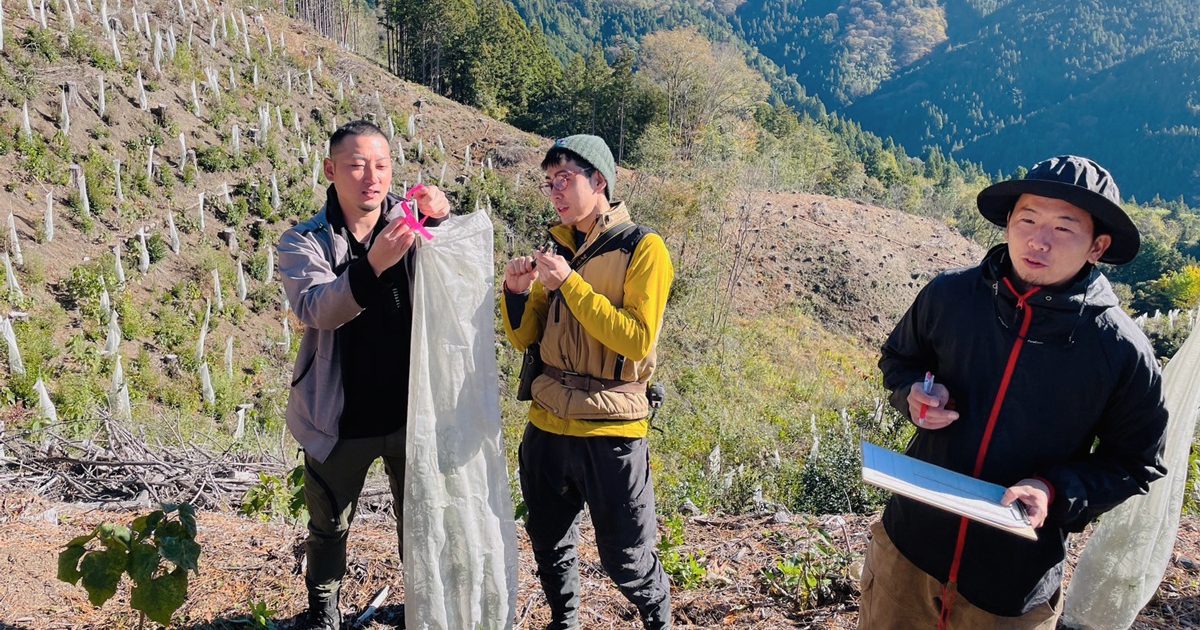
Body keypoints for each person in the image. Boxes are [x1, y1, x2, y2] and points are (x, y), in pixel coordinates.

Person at [860, 155, 1170, 629]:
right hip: (909, 548)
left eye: (1064, 229)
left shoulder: (1120, 350)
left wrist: (1054, 490)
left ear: (1098, 246)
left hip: (1009, 586)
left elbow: (1136, 462)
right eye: (1027, 219)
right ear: (1009, 221)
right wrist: (914, 394)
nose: (1037, 240)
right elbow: (900, 359)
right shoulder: (951, 296)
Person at [278, 120, 451, 629]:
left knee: (418, 523)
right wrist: (371, 266)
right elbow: (316, 309)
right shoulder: (303, 241)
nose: (370, 178)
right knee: (329, 521)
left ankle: (423, 607)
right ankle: (324, 609)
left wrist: (439, 216)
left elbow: (451, 261)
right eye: (355, 166)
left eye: (381, 165)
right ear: (331, 171)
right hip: (338, 414)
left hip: (408, 410)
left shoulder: (407, 223)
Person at [501, 135, 675, 630]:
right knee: (548, 538)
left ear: (599, 181)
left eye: (565, 179)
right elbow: (524, 337)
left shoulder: (643, 247)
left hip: (610, 429)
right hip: (548, 421)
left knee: (626, 558)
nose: (555, 191)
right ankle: (565, 621)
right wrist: (515, 293)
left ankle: (659, 620)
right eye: (549, 181)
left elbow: (637, 340)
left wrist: (569, 285)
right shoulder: (556, 248)